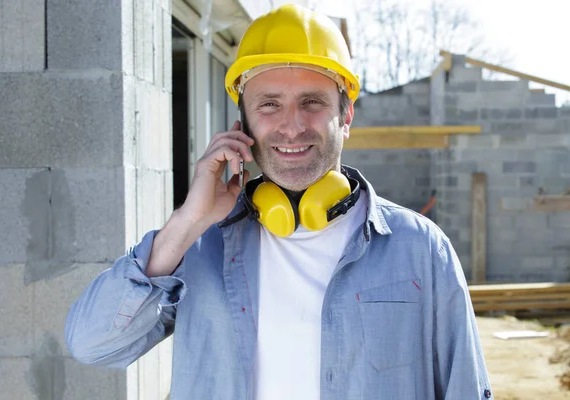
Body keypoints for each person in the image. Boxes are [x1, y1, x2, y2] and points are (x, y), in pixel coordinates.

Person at [65, 4, 492, 400]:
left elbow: (466, 388)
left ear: (346, 116)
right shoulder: (198, 246)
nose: (292, 126)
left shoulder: (420, 250)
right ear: (242, 123)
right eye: (269, 104)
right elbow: (92, 345)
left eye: (312, 102)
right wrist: (185, 223)